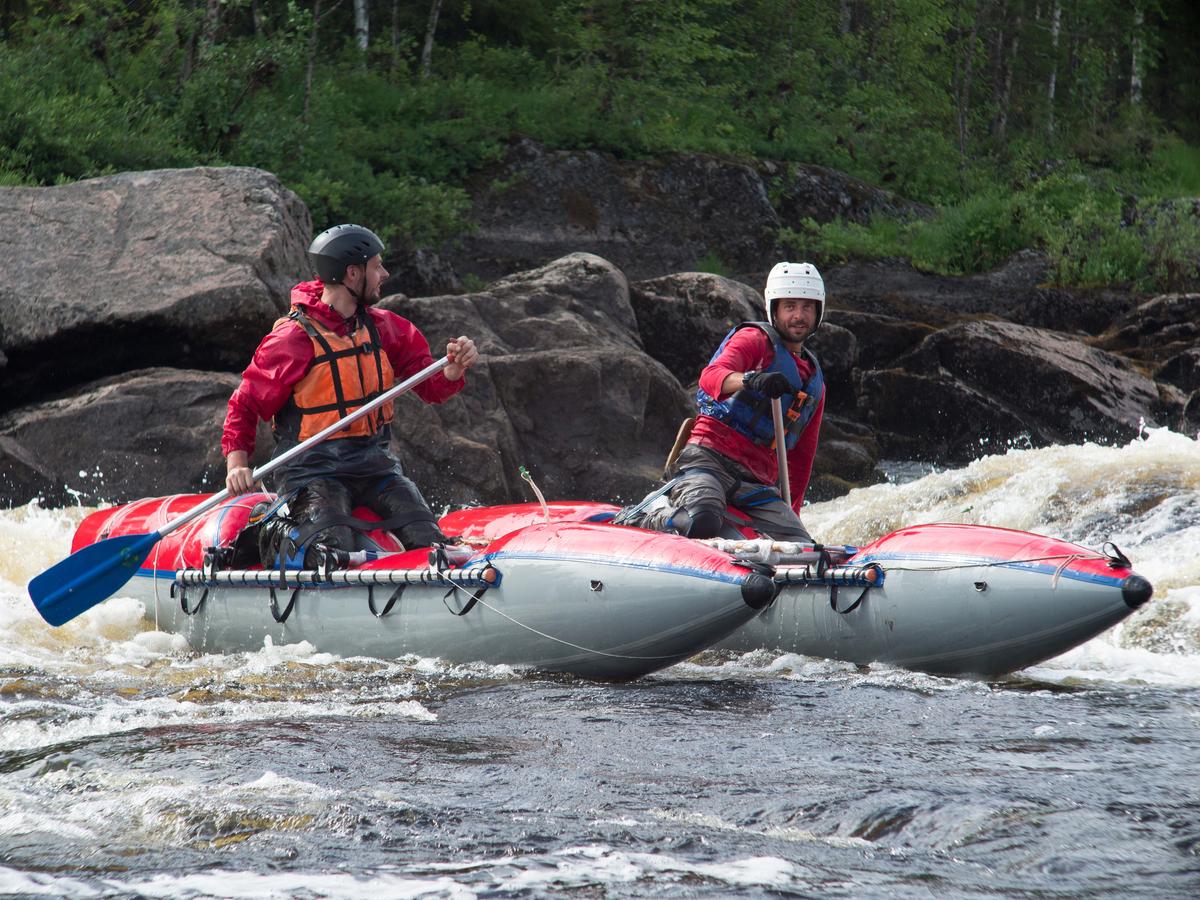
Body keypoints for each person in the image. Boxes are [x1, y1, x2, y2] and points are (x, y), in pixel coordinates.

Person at [221, 223, 479, 565]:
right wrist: (237, 465)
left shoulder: (385, 328)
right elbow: (245, 404)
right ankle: (268, 532)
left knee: (426, 537)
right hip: (311, 469)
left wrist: (452, 371)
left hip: (375, 465)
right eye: (377, 267)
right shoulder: (292, 340)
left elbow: (430, 386)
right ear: (352, 274)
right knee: (330, 548)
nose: (384, 274)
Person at [635, 261, 826, 542]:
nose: (799, 315)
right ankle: (647, 516)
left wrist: (792, 515)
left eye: (807, 307)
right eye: (790, 306)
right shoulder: (754, 340)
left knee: (801, 548)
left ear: (818, 312)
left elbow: (801, 458)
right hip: (709, 460)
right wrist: (751, 379)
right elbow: (710, 377)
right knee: (703, 520)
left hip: (756, 481)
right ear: (774, 309)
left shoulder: (815, 382)